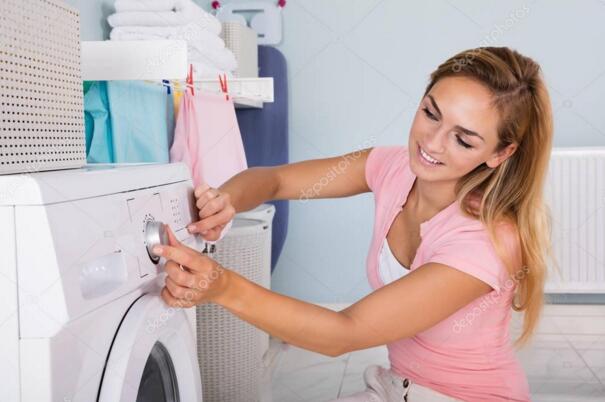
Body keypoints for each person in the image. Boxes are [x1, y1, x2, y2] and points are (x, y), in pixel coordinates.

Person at [152, 46, 554, 401]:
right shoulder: (394, 167)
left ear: (500, 154)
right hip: (397, 386)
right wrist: (226, 200)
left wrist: (221, 286)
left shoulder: (485, 241)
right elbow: (275, 180)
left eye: (463, 140)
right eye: (431, 113)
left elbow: (344, 332)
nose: (432, 143)